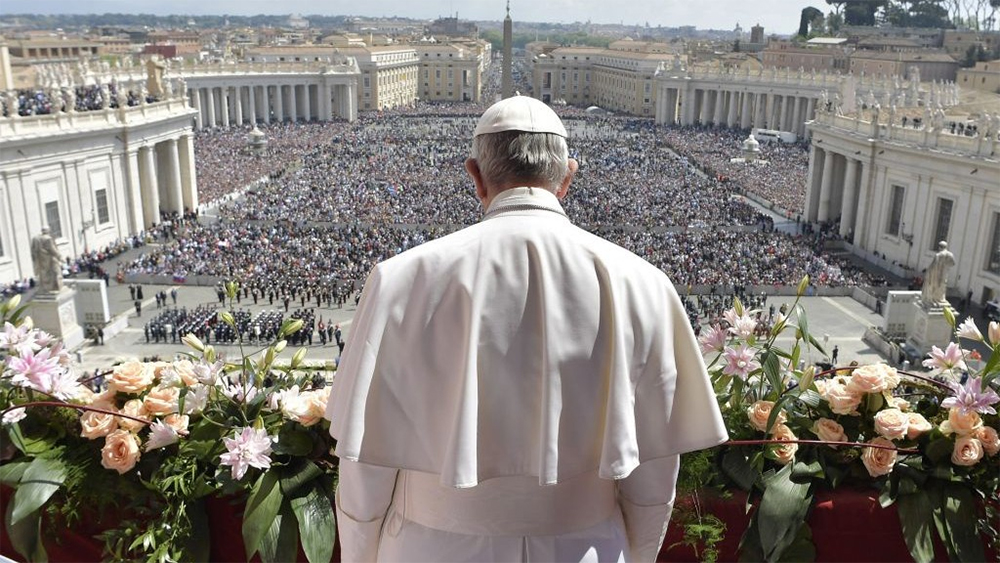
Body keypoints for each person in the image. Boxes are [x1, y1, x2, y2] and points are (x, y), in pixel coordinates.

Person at [326, 96, 728, 563]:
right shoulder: (644, 283)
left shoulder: (400, 279)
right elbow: (653, 479)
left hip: (430, 548)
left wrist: (358, 556)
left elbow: (365, 470)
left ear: (475, 176)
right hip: (588, 549)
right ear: (567, 178)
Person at [921, 241, 956, 306]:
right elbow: (953, 263)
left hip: (937, 274)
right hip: (945, 273)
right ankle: (941, 299)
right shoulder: (950, 254)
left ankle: (935, 299)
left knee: (935, 285)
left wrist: (928, 272)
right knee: (942, 285)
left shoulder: (938, 255)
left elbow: (933, 266)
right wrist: (946, 265)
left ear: (940, 247)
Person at [30, 227, 63, 293]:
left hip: (40, 259)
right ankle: (54, 286)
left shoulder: (35, 238)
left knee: (43, 272)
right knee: (55, 271)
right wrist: (60, 257)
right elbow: (52, 249)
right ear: (48, 231)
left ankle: (45, 287)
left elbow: (33, 250)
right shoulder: (48, 238)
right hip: (49, 258)